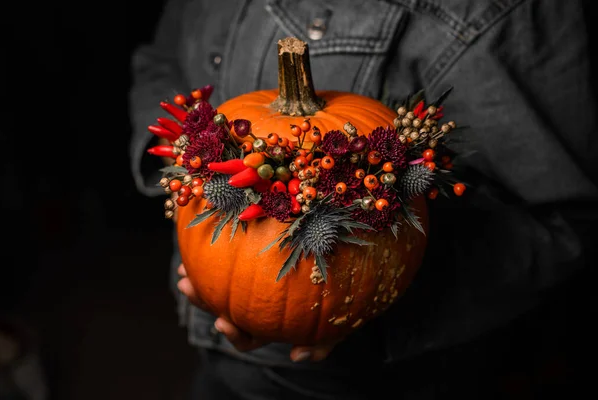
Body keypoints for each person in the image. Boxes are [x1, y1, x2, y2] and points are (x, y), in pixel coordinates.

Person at [128, 0, 597, 398]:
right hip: (207, 344)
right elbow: (160, 58)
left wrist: (387, 294)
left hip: (367, 379)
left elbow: (569, 218)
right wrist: (179, 164)